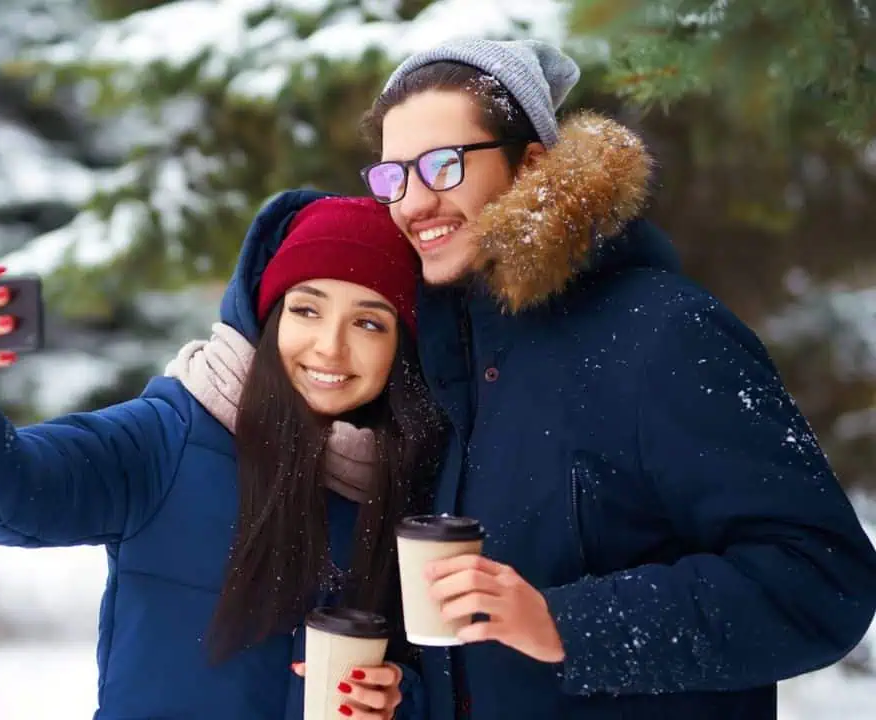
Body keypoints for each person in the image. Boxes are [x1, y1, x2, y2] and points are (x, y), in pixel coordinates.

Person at [355, 37, 876, 719]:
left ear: (533, 163)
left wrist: (570, 625)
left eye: (443, 165)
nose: (414, 202)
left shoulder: (662, 334)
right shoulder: (438, 364)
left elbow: (820, 580)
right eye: (393, 176)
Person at [0, 193, 447, 719]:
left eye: (369, 322)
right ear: (267, 316)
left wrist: (399, 698)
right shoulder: (170, 435)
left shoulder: (421, 483)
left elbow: (453, 680)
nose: (330, 345)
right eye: (306, 309)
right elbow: (10, 496)